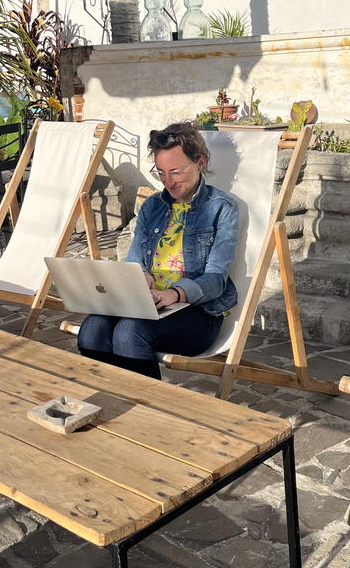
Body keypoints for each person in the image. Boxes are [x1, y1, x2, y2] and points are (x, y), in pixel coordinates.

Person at [77, 121, 238, 379]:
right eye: (161, 173)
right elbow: (135, 260)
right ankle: (110, 399)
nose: (168, 182)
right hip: (147, 303)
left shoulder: (222, 209)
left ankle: (147, 413)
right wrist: (141, 277)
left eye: (175, 172)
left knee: (129, 333)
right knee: (92, 329)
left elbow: (216, 279)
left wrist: (176, 293)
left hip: (197, 313)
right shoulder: (153, 206)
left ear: (200, 162)